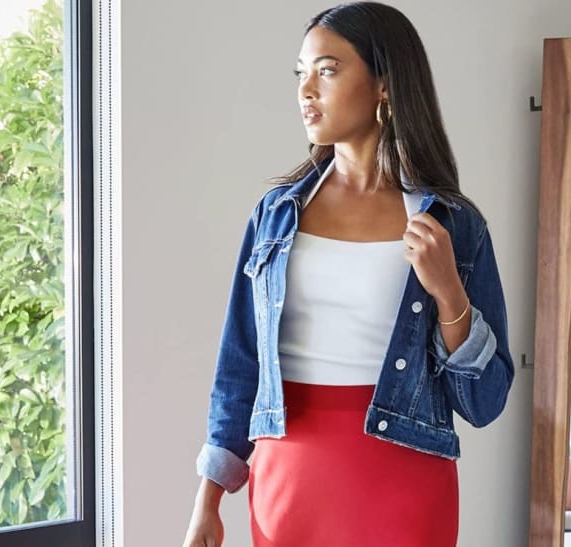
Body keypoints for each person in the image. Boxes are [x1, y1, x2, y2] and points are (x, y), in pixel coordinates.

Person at [182, 3, 514, 546]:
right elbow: (239, 367)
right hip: (291, 482)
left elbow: (485, 402)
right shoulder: (275, 216)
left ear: (384, 84)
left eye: (328, 70)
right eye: (301, 72)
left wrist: (450, 292)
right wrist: (207, 502)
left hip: (404, 483)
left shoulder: (454, 224)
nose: (306, 89)